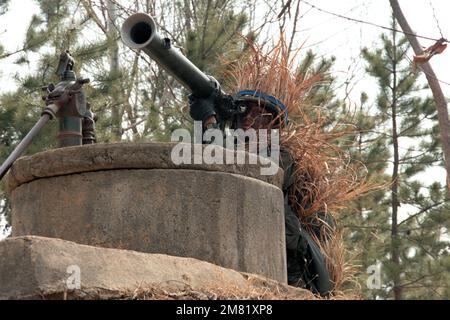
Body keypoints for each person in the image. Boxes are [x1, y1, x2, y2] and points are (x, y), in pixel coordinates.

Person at [189, 89, 335, 296]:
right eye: (244, 111)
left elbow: (236, 168)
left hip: (284, 268)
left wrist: (210, 121)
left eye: (260, 116)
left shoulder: (280, 157)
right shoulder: (229, 147)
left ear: (273, 127)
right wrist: (210, 120)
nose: (248, 119)